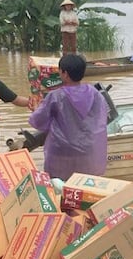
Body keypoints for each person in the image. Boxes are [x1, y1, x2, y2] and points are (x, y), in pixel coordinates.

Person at [28, 53, 108, 181]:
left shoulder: (55, 96)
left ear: (64, 73)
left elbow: (37, 121)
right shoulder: (95, 93)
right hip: (88, 151)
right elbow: (103, 118)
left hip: (61, 153)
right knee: (86, 186)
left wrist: (36, 109)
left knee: (60, 188)